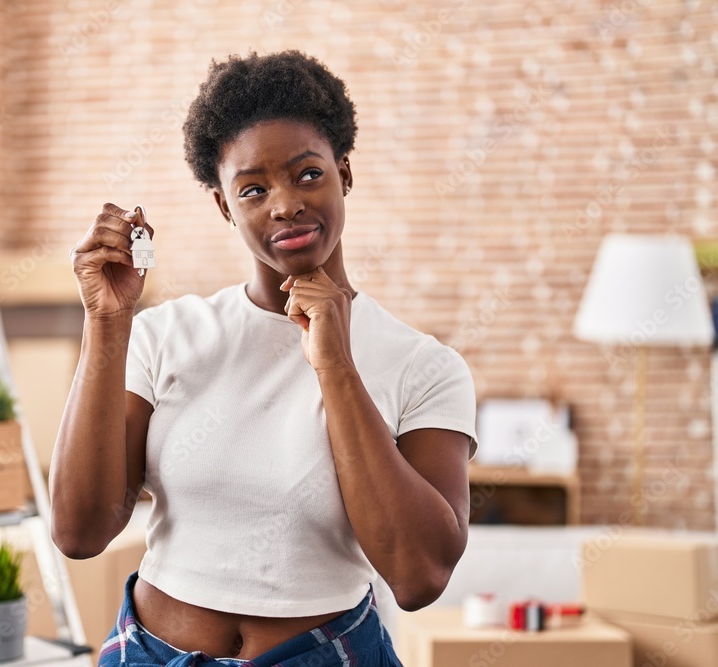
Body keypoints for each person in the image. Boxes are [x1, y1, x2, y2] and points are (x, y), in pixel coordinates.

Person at [51, 50, 478, 667]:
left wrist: (335, 364)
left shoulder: (425, 367)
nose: (285, 204)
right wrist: (106, 324)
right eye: (253, 189)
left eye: (308, 174)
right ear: (225, 206)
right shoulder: (165, 335)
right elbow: (79, 531)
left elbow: (419, 576)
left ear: (344, 173)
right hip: (150, 652)